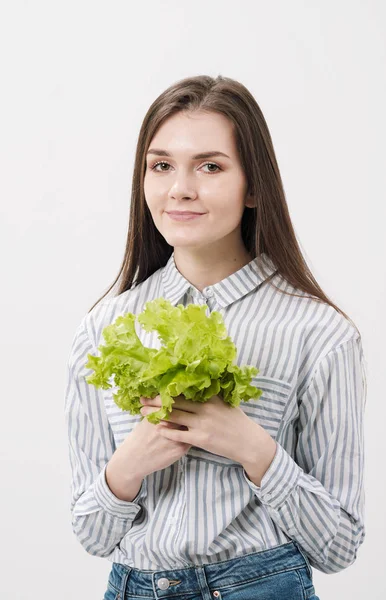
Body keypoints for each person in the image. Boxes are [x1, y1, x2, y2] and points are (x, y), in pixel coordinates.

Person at [64, 74, 367, 600]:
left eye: (210, 166)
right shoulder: (103, 329)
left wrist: (256, 451)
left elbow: (338, 547)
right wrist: (129, 465)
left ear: (253, 187)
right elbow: (92, 535)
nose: (180, 187)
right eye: (161, 166)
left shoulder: (321, 334)